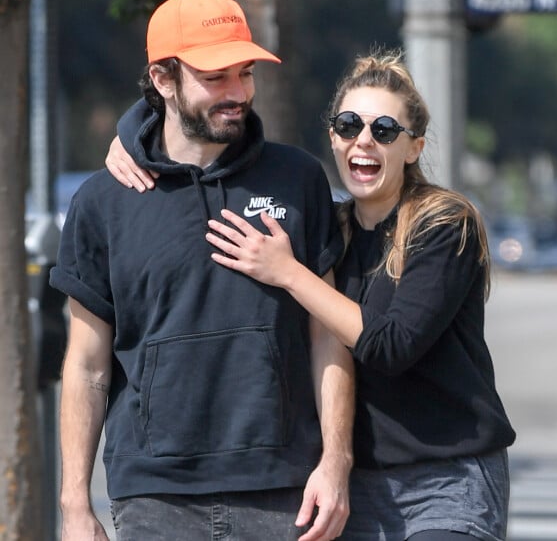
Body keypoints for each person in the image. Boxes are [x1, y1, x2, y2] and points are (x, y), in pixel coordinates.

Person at [106, 47, 516, 540]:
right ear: (333, 137)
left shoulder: (444, 224)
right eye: (349, 126)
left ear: (413, 147)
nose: (363, 141)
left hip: (446, 481)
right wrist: (133, 137)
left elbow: (390, 346)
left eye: (384, 131)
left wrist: (289, 272)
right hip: (354, 485)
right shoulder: (330, 226)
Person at [50, 0, 355, 541]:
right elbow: (87, 365)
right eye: (216, 77)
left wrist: (336, 462)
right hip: (153, 496)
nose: (238, 92)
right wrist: (74, 504)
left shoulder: (299, 179)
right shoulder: (103, 202)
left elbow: (326, 336)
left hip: (285, 491)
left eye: (245, 73)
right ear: (164, 80)